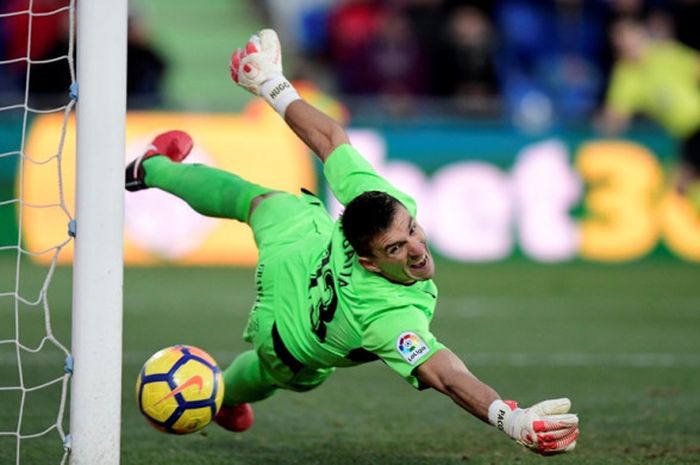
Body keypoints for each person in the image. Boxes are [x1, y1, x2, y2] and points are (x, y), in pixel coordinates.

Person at [125, 29, 579, 455]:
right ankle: (222, 393)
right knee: (272, 371)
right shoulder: (387, 315)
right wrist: (510, 419)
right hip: (288, 332)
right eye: (397, 249)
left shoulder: (376, 202)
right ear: (370, 260)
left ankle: (149, 169)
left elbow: (328, 138)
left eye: (411, 231)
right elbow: (446, 375)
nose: (417, 248)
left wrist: (271, 83)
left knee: (260, 202)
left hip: (300, 252)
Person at [599, 18, 700, 208]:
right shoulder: (626, 74)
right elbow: (616, 115)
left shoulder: (666, 54)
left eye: (629, 36)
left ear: (642, 34)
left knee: (680, 184)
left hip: (696, 126)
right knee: (681, 189)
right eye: (619, 41)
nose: (626, 43)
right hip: (684, 135)